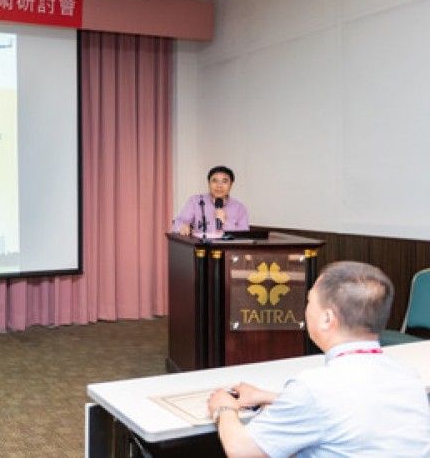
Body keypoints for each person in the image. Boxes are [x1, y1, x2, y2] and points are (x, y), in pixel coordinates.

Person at [207, 261, 430, 457]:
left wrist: (224, 408)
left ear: (326, 318)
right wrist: (268, 397)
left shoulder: (312, 388)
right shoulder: (408, 377)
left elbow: (242, 450)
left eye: (309, 301)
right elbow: (351, 405)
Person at [172, 165, 249, 237]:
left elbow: (243, 236)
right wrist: (183, 227)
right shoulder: (195, 201)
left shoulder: (239, 208)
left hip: (227, 247)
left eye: (224, 181)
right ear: (208, 183)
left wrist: (225, 222)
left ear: (231, 185)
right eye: (215, 181)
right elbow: (178, 223)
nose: (219, 186)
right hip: (200, 245)